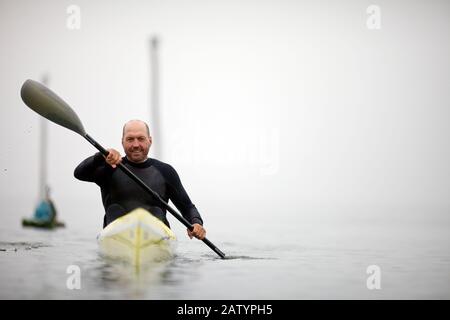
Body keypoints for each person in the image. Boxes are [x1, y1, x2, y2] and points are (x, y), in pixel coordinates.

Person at [74, 120, 206, 240]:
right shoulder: (109, 168)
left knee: (156, 212)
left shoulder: (165, 171)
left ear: (150, 140)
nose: (136, 144)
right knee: (115, 210)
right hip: (115, 238)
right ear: (122, 142)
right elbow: (79, 173)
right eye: (130, 139)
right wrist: (100, 156)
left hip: (157, 240)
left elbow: (187, 207)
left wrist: (196, 223)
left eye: (141, 139)